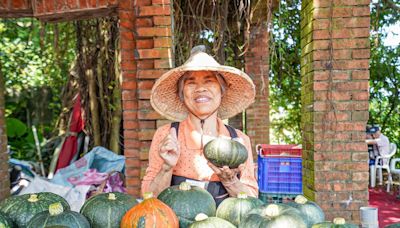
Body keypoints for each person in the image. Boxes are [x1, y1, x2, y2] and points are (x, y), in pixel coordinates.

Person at [141, 45, 258, 205]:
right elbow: (149, 198)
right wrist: (167, 168)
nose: (200, 88)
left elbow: (252, 201)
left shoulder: (239, 140)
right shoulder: (166, 135)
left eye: (209, 81)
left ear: (222, 90)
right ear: (182, 94)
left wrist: (231, 182)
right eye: (191, 83)